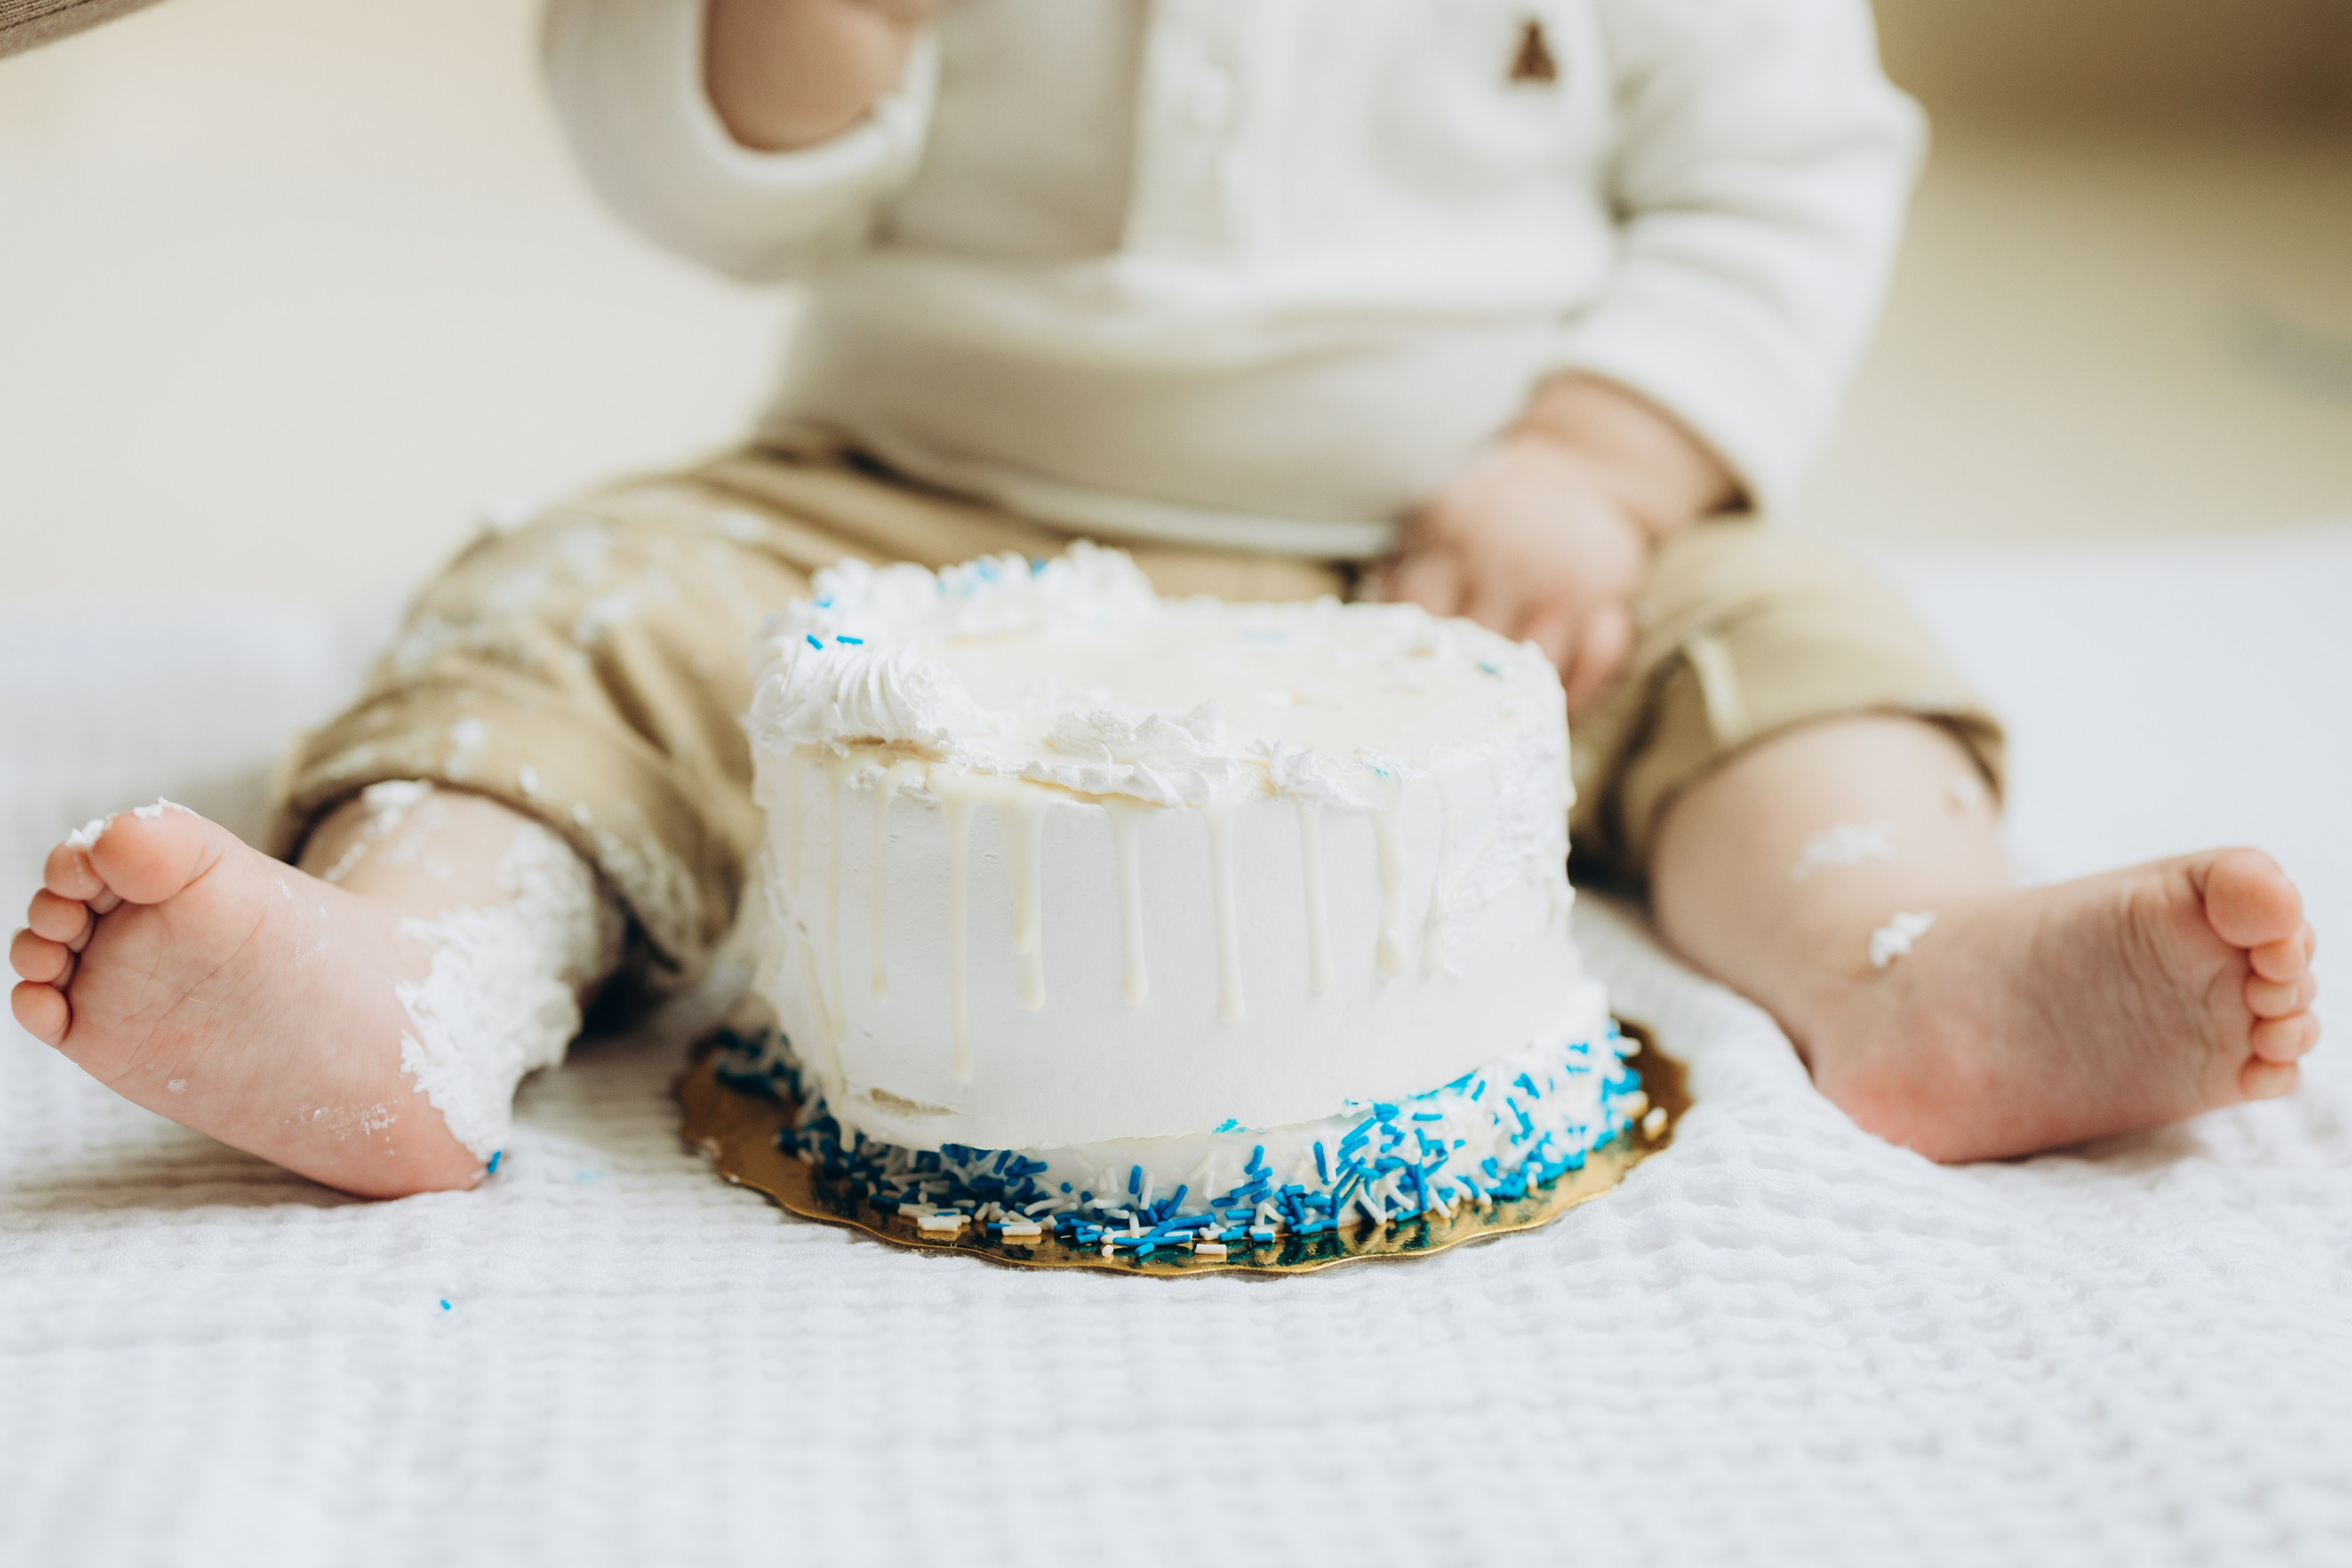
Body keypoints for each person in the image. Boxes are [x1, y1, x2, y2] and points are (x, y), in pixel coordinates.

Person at [9, 0, 2319, 1197]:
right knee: (586, 594)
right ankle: (421, 960)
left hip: (1496, 535)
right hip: (908, 491)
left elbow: (1784, 170)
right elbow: (693, 178)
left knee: (1796, 646)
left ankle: (1901, 949)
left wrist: (1604, 460)